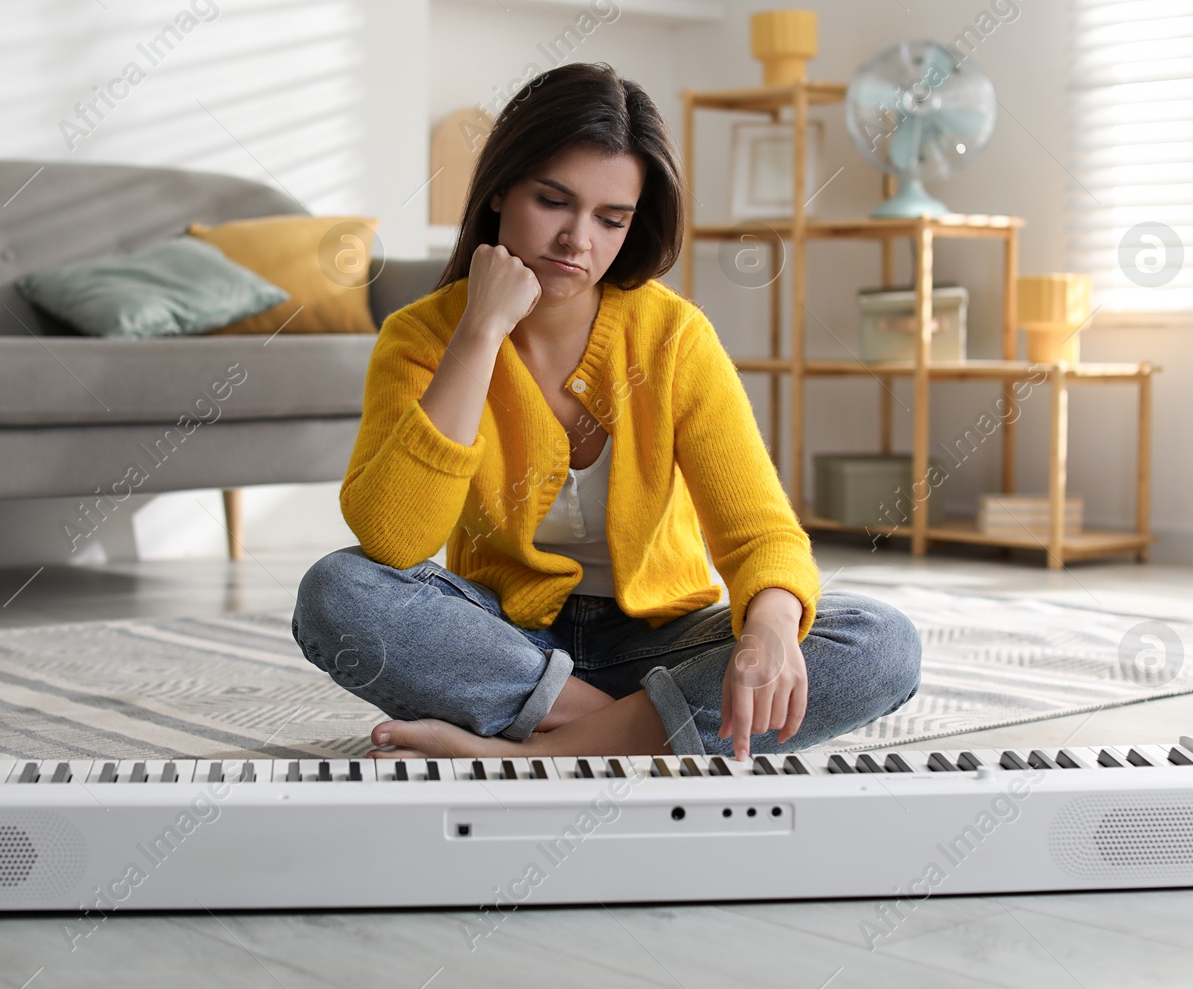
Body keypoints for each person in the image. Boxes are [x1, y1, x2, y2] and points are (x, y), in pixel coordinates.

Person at [292, 62, 919, 762]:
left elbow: (760, 532)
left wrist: (770, 628)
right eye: (553, 201)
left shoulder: (673, 337)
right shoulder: (420, 337)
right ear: (499, 188)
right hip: (502, 648)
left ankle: (534, 754)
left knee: (878, 643)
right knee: (335, 594)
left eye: (611, 218)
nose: (577, 241)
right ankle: (640, 730)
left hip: (660, 647)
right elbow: (394, 540)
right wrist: (479, 332)